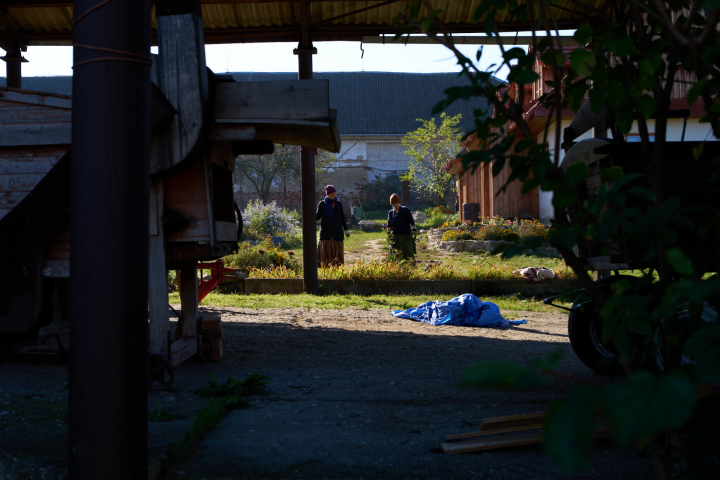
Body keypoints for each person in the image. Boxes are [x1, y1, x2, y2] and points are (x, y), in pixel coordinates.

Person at [316, 185, 349, 267]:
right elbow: (317, 217)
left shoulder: (339, 204)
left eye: (334, 194)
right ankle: (326, 268)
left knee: (337, 252)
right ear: (327, 194)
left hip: (337, 232)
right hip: (326, 232)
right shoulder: (322, 204)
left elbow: (342, 217)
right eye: (331, 194)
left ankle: (337, 268)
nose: (333, 195)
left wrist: (346, 229)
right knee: (326, 252)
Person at [386, 193, 416, 260]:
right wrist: (388, 232)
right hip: (395, 235)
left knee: (407, 251)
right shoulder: (391, 212)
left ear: (399, 202)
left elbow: (411, 220)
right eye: (393, 204)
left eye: (396, 203)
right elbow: (389, 224)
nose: (394, 205)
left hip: (405, 234)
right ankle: (399, 263)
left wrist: (414, 228)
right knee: (396, 252)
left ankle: (410, 263)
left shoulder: (404, 210)